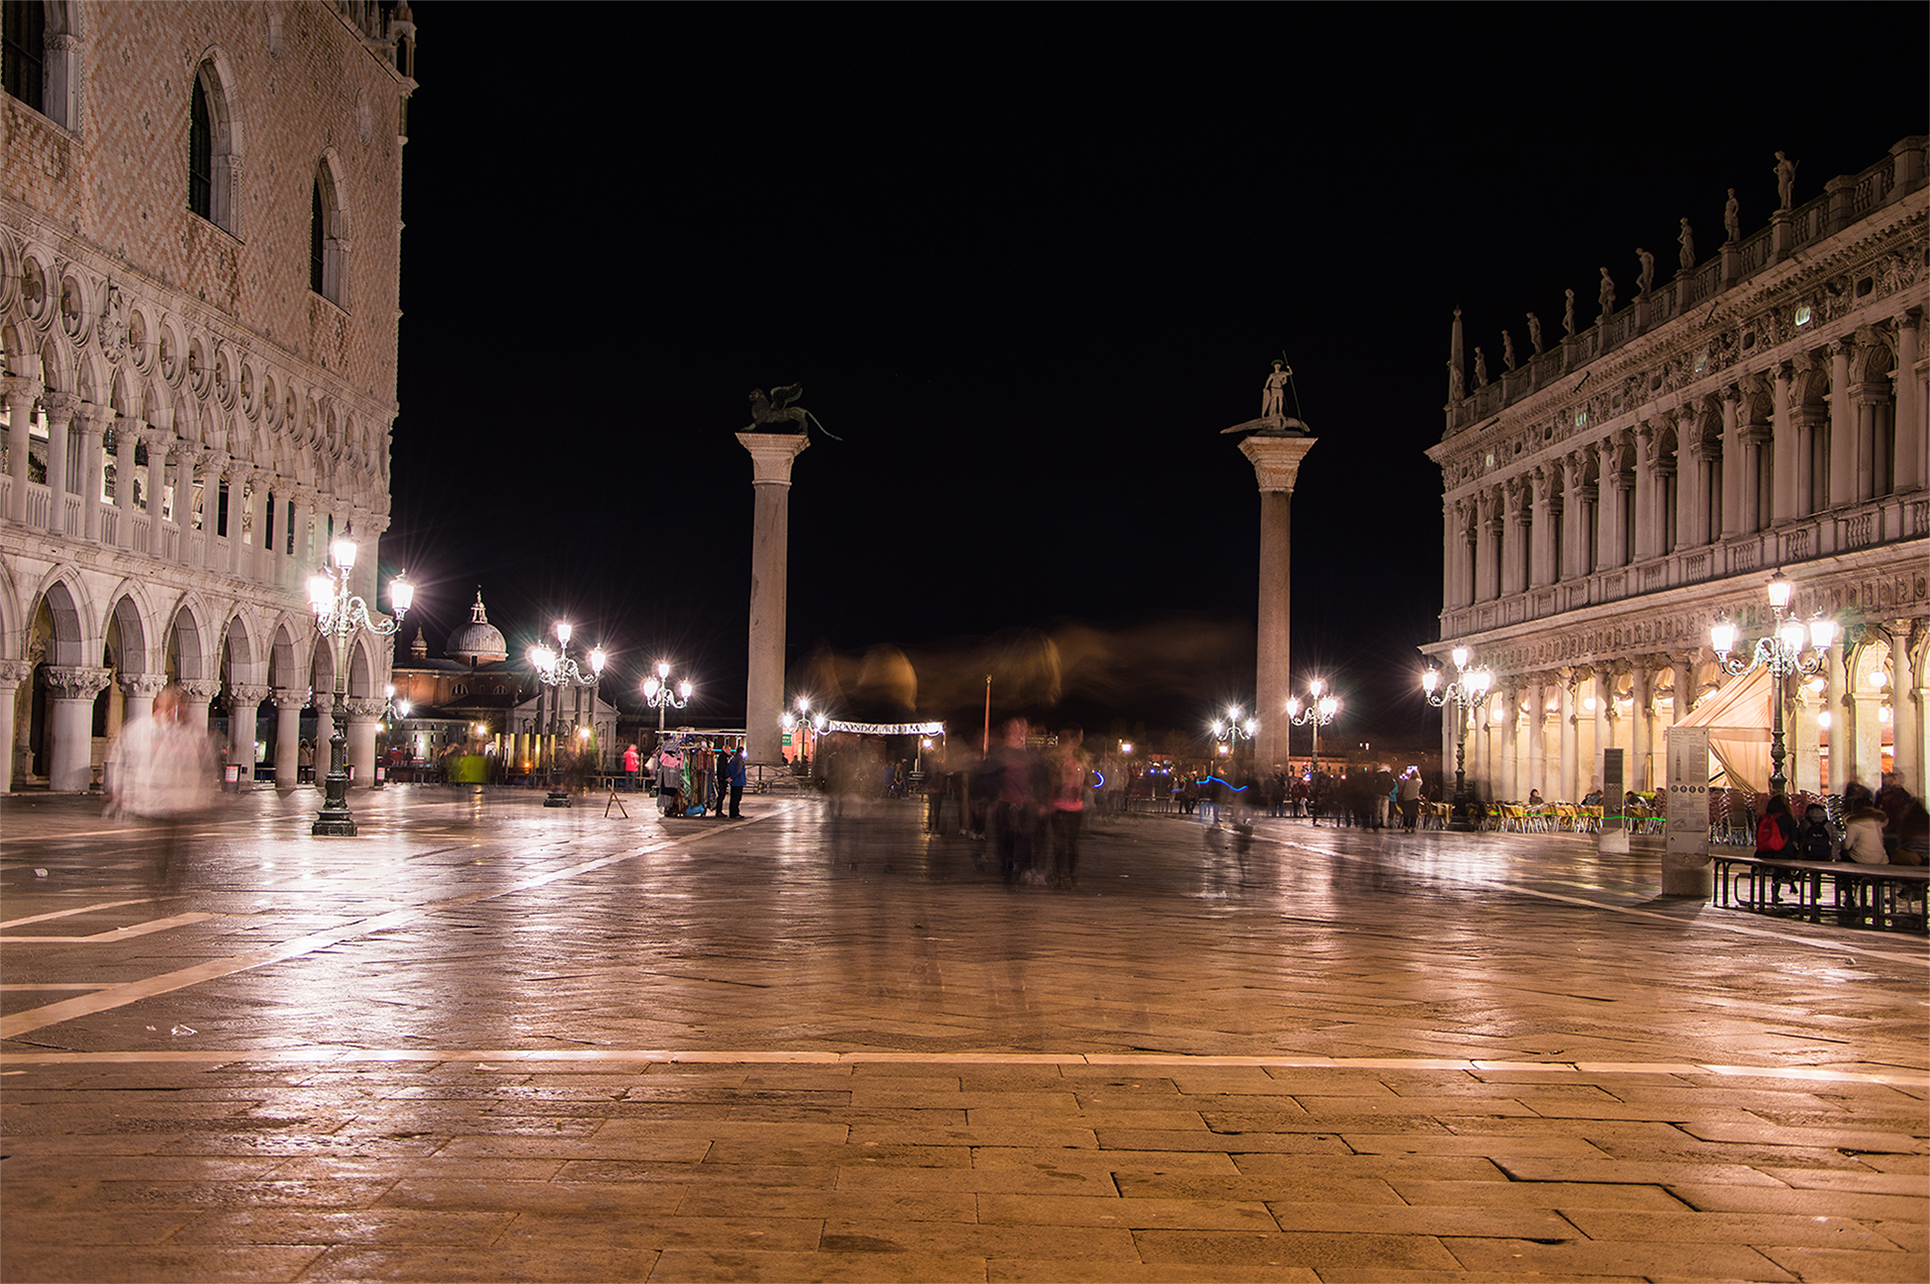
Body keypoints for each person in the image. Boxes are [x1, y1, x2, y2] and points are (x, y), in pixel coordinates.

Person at [105, 683, 218, 891]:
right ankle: (156, 879)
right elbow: (119, 758)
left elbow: (206, 768)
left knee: (175, 845)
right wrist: (118, 789)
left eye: (183, 706)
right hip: (150, 800)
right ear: (161, 706)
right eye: (175, 706)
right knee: (155, 843)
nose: (180, 711)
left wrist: (204, 797)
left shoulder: (193, 734)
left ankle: (167, 879)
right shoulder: (140, 729)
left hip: (181, 804)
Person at [1046, 726, 1090, 889]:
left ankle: (1070, 875)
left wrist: (1082, 782)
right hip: (1059, 805)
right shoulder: (1056, 760)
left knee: (1071, 843)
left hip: (1075, 805)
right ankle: (1059, 875)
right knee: (1060, 841)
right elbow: (1053, 783)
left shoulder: (1081, 760)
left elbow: (1086, 782)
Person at [718, 744, 746, 819]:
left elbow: (728, 769)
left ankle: (733, 812)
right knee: (736, 798)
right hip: (738, 781)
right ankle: (734, 813)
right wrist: (732, 777)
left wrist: (728, 776)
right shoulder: (739, 760)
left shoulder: (732, 759)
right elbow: (738, 771)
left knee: (734, 797)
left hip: (734, 781)